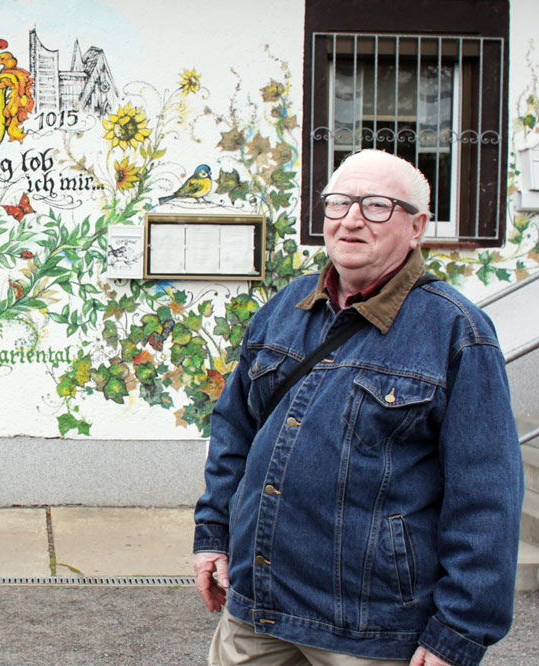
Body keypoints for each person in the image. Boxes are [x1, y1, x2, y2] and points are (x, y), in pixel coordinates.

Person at [193, 149, 522, 666]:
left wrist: (459, 631)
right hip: (258, 609)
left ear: (416, 227)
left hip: (373, 629)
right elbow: (235, 432)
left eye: (376, 206)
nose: (350, 219)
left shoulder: (457, 332)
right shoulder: (284, 309)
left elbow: (485, 496)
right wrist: (213, 534)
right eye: (339, 202)